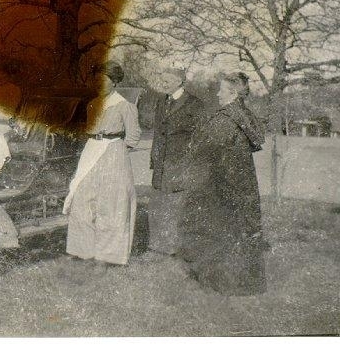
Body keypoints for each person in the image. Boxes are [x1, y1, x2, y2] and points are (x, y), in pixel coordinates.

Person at [167, 72, 268, 296]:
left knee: (217, 230)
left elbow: (204, 150)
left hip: (220, 182)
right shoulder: (244, 114)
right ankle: (245, 283)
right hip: (239, 183)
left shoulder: (225, 119)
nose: (218, 94)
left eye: (222, 90)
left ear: (233, 93)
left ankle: (221, 283)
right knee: (240, 229)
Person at [62, 60, 141, 275]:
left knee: (111, 204)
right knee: (82, 198)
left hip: (113, 153)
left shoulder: (124, 105)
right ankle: (83, 251)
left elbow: (133, 136)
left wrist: (117, 152)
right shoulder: (92, 103)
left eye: (104, 80)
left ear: (114, 82)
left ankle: (107, 256)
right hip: (91, 151)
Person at [144, 66, 205, 259]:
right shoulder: (162, 101)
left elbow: (200, 136)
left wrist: (190, 163)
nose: (163, 83)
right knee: (157, 204)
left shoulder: (194, 104)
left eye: (167, 80)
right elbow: (158, 133)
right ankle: (156, 247)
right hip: (161, 164)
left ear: (179, 81)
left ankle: (174, 249)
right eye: (162, 80)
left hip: (180, 163)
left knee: (176, 206)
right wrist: (154, 159)